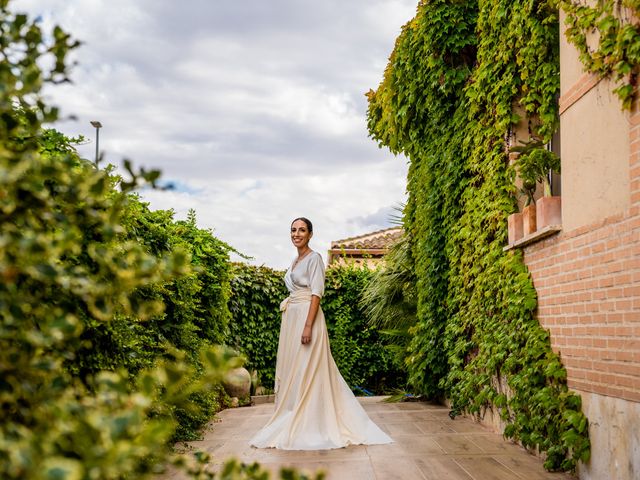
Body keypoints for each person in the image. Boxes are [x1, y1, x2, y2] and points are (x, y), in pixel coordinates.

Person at [249, 217, 393, 450]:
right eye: (293, 230)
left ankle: (313, 421)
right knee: (295, 370)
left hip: (307, 317)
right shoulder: (295, 260)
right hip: (292, 318)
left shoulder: (314, 258)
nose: (297, 234)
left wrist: (308, 325)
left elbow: (316, 293)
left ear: (310, 234)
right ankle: (294, 411)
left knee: (308, 368)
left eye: (302, 230)